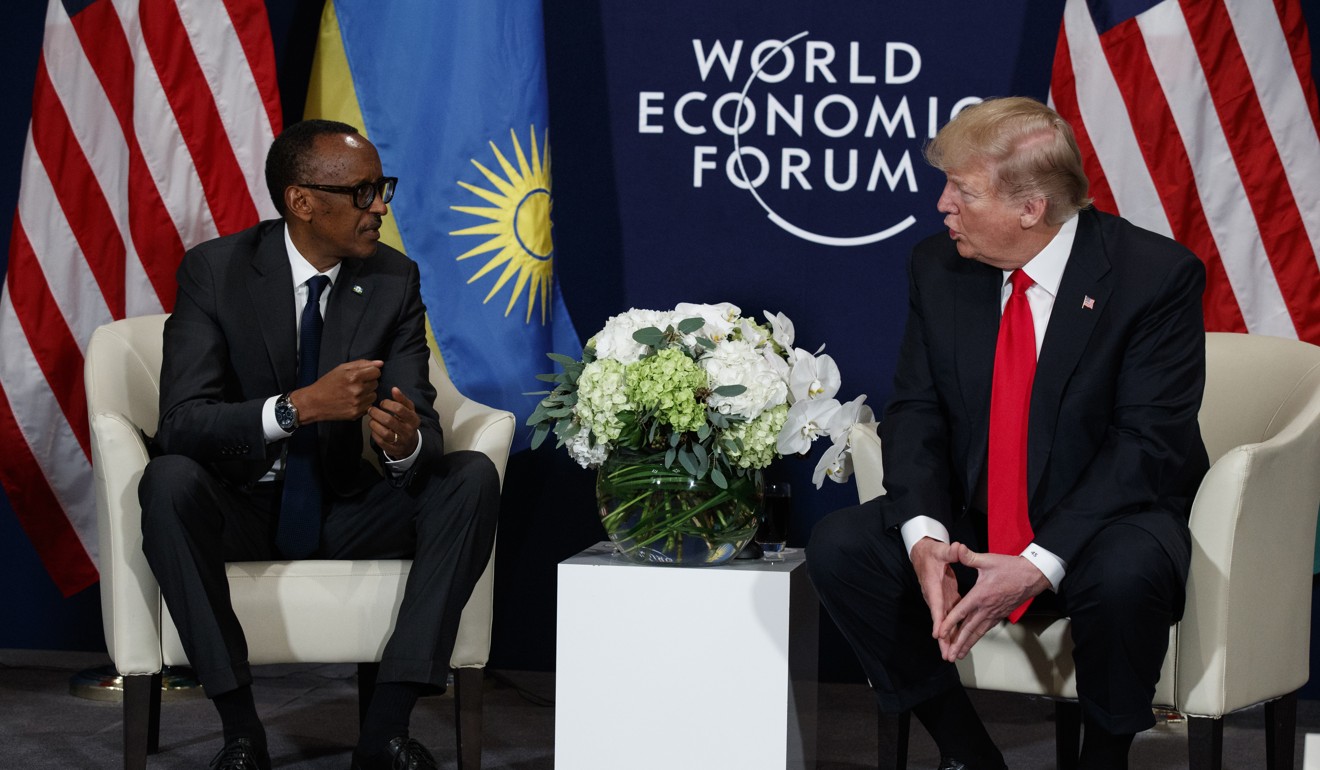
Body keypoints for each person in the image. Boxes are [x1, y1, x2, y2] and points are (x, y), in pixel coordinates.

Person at [808, 97, 1209, 770]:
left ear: (1032, 208)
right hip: (980, 510)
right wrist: (926, 537)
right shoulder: (939, 266)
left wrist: (1037, 562)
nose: (942, 206)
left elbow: (1147, 445)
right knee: (844, 546)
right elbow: (917, 411)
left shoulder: (1154, 277)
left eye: (962, 191)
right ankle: (968, 754)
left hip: (1107, 515)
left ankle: (1104, 757)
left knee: (1125, 573)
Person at [139, 119, 501, 770]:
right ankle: (241, 731)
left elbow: (420, 417)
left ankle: (384, 732)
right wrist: (298, 408)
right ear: (302, 202)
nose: (381, 207)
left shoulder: (393, 279)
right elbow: (183, 423)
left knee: (470, 476)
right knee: (166, 480)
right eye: (365, 192)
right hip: (240, 507)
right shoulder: (216, 272)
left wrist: (404, 443)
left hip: (342, 506)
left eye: (382, 189)